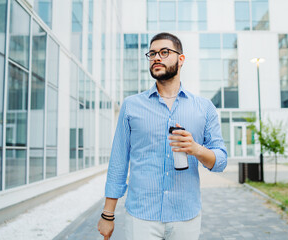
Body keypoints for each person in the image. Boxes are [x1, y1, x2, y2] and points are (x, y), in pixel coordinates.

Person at [97, 32, 227, 240]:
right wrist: (108, 214)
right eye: (152, 53)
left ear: (181, 59)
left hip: (186, 215)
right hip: (141, 216)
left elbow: (220, 161)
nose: (156, 57)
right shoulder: (131, 106)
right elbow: (118, 162)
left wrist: (196, 149)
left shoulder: (204, 108)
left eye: (164, 52)